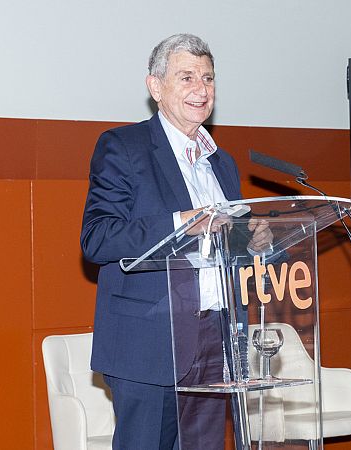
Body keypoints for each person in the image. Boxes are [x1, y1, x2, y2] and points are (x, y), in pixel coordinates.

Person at [80, 34, 271, 449]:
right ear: (156, 87)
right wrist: (179, 223)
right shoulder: (124, 147)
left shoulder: (222, 163)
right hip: (150, 340)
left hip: (216, 338)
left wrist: (254, 240)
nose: (201, 89)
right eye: (187, 78)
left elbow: (224, 243)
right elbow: (97, 238)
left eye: (208, 78)